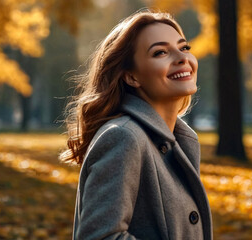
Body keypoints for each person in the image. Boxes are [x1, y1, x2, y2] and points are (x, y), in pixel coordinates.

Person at [60, 10, 212, 240]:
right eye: (160, 52)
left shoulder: (179, 141)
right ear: (131, 77)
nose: (182, 58)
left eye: (184, 48)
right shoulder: (123, 137)